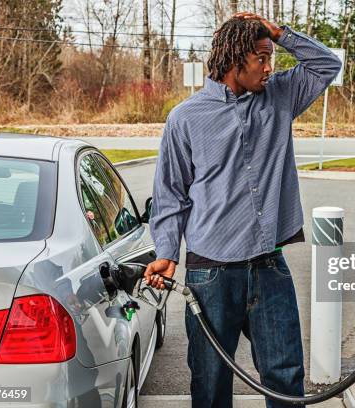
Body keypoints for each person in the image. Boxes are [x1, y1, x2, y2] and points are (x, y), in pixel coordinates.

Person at [144, 12, 341, 408]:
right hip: (211, 273)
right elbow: (170, 195)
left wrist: (279, 34)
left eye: (272, 59)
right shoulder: (185, 119)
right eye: (262, 59)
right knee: (211, 381)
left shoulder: (281, 97)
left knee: (285, 376)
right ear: (236, 59)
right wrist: (166, 253)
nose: (270, 68)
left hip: (269, 266)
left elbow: (326, 64)